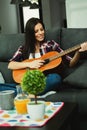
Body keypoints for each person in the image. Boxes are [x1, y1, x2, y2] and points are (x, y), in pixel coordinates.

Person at [8, 17, 87, 97]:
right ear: (30, 34)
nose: (40, 33)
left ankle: (27, 93)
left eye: (42, 29)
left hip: (45, 81)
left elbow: (71, 63)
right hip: (29, 82)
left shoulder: (51, 45)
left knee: (56, 78)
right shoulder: (23, 49)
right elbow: (10, 65)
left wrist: (78, 51)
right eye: (36, 31)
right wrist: (30, 64)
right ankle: (30, 92)